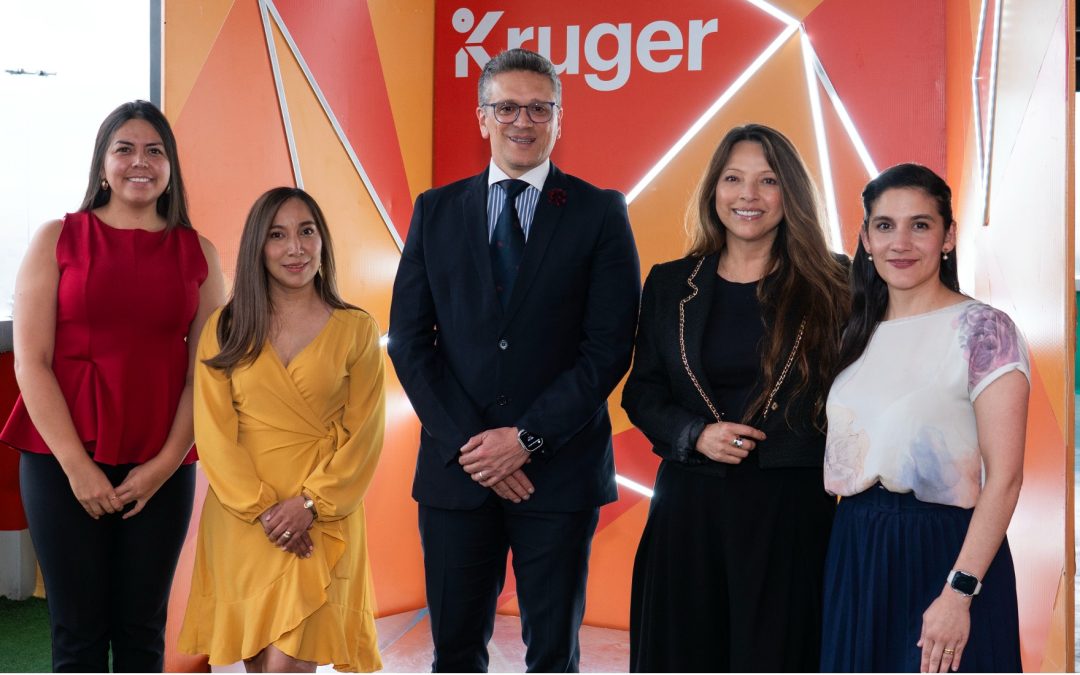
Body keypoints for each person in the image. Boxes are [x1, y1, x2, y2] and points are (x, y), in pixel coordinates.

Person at [387, 48, 640, 672]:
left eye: (538, 108)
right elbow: (410, 341)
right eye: (506, 108)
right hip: (458, 473)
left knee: (553, 655)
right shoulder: (435, 210)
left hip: (559, 473)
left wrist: (525, 439)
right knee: (454, 654)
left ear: (559, 119)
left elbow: (608, 347)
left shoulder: (599, 212)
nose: (522, 121)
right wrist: (476, 448)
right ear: (482, 117)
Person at [0, 100, 224, 672]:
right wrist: (77, 467)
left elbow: (205, 374)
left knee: (142, 631)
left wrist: (165, 466)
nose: (139, 161)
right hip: (60, 461)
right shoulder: (56, 238)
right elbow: (32, 363)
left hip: (162, 465)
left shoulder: (199, 252)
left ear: (171, 167)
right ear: (102, 164)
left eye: (155, 151)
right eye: (124, 149)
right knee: (76, 632)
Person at [621, 123, 850, 672]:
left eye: (768, 180)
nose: (749, 195)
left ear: (791, 194)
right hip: (688, 507)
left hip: (790, 510)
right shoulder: (670, 283)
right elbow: (642, 392)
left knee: (778, 655)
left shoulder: (837, 282)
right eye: (733, 179)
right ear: (714, 190)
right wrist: (695, 435)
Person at [820, 163, 1028, 672]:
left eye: (920, 224)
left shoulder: (984, 330)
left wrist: (959, 591)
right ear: (866, 239)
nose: (900, 243)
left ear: (947, 236)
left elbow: (1005, 478)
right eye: (884, 226)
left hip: (945, 552)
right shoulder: (853, 333)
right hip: (857, 548)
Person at [178, 187, 385, 673]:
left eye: (306, 231)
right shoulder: (225, 328)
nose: (296, 247)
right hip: (245, 520)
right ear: (258, 246)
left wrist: (310, 506)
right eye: (278, 235)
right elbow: (213, 433)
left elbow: (365, 436)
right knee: (259, 664)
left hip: (321, 521)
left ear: (322, 241)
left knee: (285, 666)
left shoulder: (357, 328)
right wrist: (265, 511)